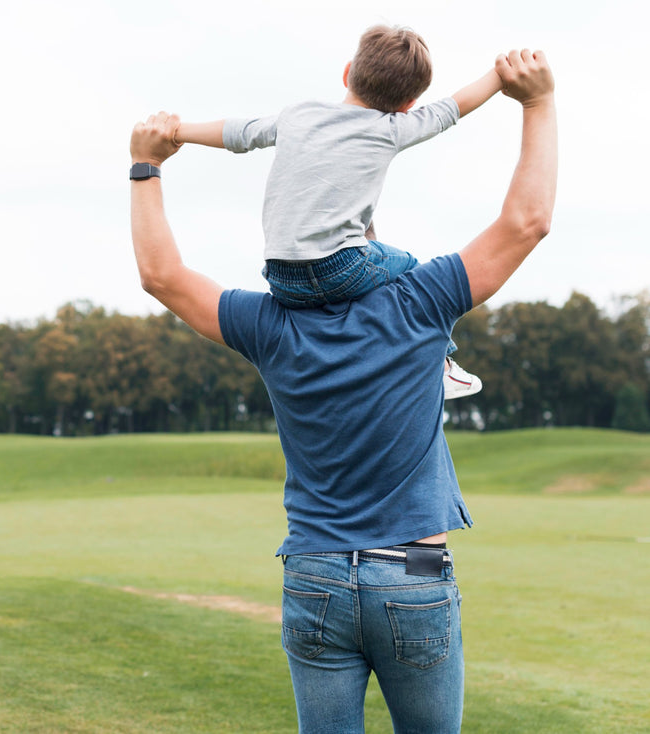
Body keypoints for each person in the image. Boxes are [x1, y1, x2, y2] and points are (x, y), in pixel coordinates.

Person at [128, 48, 556, 733]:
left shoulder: (269, 325)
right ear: (366, 240)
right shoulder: (421, 302)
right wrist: (535, 103)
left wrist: (145, 165)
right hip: (414, 569)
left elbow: (162, 275)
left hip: (316, 569)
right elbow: (526, 221)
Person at [174, 25, 505, 399]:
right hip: (340, 269)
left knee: (370, 240)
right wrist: (499, 75)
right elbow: (452, 108)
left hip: (281, 278)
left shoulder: (298, 115)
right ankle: (442, 366)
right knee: (410, 267)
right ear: (408, 105)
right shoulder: (393, 128)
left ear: (348, 72)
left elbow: (239, 133)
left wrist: (177, 132)